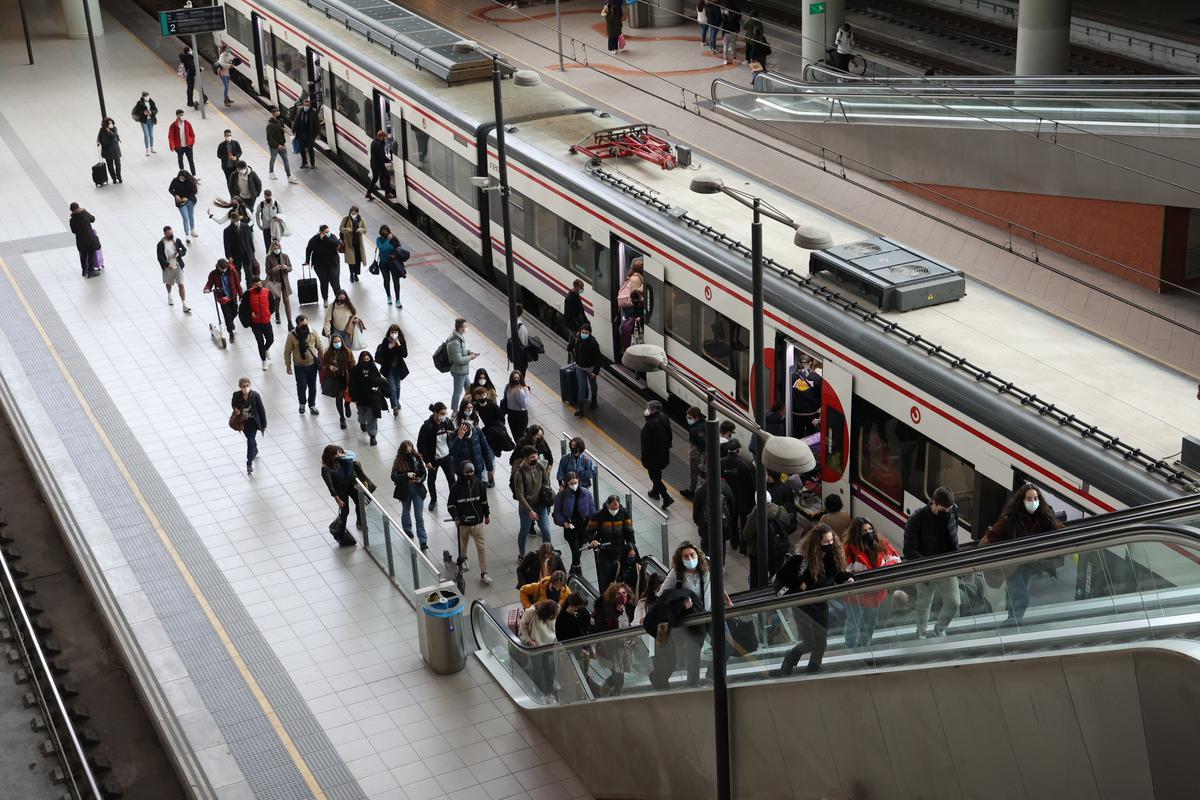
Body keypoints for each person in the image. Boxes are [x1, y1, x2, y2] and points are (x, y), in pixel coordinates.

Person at [980, 483, 1064, 623]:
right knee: (1023, 596)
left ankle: (1012, 620)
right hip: (1012, 566)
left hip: (1030, 566)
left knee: (1016, 595)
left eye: (1036, 498)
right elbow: (990, 537)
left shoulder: (1045, 517)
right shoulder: (1010, 520)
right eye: (1029, 499)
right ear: (1022, 501)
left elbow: (1059, 529)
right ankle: (1011, 625)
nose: (1033, 502)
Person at [777, 524, 853, 675]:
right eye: (826, 542)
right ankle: (790, 658)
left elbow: (837, 575)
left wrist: (849, 577)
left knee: (821, 642)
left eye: (831, 541)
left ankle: (813, 670)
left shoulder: (833, 558)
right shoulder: (802, 558)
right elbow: (782, 575)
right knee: (810, 642)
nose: (830, 545)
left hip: (821, 603)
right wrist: (799, 583)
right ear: (817, 543)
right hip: (802, 604)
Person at [658, 542, 728, 687]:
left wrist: (726, 598)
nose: (690, 558)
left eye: (692, 555)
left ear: (698, 555)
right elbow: (662, 597)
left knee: (727, 644)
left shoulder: (707, 565)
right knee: (693, 657)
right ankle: (692, 687)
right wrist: (681, 605)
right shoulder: (676, 574)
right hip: (691, 620)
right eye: (685, 556)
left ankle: (712, 672)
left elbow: (716, 583)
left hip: (710, 614)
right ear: (680, 559)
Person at [903, 486, 960, 638]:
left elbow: (954, 536)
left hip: (946, 564)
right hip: (925, 567)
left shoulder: (953, 510)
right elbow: (909, 549)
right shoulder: (917, 518)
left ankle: (939, 629)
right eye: (942, 509)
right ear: (932, 503)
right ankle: (921, 633)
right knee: (924, 603)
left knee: (954, 602)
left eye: (949, 509)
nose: (946, 513)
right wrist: (925, 566)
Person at [843, 517, 901, 647]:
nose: (868, 533)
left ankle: (865, 646)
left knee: (870, 623)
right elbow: (844, 572)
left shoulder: (880, 543)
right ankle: (851, 648)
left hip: (876, 595)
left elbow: (896, 559)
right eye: (864, 531)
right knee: (854, 623)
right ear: (857, 534)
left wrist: (882, 570)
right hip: (856, 597)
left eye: (870, 529)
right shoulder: (849, 550)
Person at [447, 461, 491, 584]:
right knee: (463, 546)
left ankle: (484, 573)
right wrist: (456, 517)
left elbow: (484, 502)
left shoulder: (479, 485)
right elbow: (451, 505)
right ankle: (463, 559)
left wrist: (486, 515)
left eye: (471, 471)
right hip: (463, 524)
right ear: (462, 472)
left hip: (477, 523)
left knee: (481, 548)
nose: (470, 474)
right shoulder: (456, 487)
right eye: (467, 472)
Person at [586, 494, 634, 593]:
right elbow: (589, 531)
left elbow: (629, 532)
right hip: (604, 554)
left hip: (620, 553)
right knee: (605, 580)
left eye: (617, 507)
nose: (615, 510)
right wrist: (593, 540)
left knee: (620, 578)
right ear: (608, 505)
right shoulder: (599, 515)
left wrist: (632, 547)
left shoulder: (624, 514)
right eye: (613, 507)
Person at [594, 581, 636, 694]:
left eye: (624, 593)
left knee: (618, 676)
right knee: (618, 676)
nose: (622, 596)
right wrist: (620, 643)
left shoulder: (628, 608)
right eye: (618, 594)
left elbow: (631, 625)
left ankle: (608, 695)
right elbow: (604, 633)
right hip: (612, 649)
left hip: (624, 648)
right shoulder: (607, 612)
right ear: (613, 596)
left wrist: (632, 639)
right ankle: (613, 696)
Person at [513, 445, 553, 560]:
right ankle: (522, 554)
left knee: (546, 531)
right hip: (527, 507)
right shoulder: (519, 474)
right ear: (525, 458)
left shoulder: (540, 466)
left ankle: (548, 553)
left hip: (540, 504)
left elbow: (546, 481)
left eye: (536, 456)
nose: (535, 459)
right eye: (532, 457)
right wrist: (530, 511)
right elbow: (519, 495)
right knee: (524, 530)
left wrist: (547, 497)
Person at [552, 471, 595, 577]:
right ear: (567, 483)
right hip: (570, 525)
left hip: (583, 525)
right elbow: (557, 512)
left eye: (575, 482)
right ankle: (577, 568)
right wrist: (564, 522)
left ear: (579, 481)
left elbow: (592, 509)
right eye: (571, 483)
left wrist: (593, 523)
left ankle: (574, 566)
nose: (574, 485)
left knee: (579, 546)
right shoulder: (561, 496)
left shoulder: (586, 493)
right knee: (575, 548)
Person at [741, 499, 792, 589]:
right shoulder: (781, 510)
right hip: (778, 548)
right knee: (777, 574)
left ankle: (756, 595)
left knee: (755, 579)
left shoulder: (756, 514)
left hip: (758, 551)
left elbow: (746, 534)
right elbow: (787, 524)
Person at [390, 440, 428, 550]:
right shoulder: (398, 461)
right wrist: (406, 475)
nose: (409, 450)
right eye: (407, 448)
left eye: (410, 447)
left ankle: (423, 541)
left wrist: (420, 479)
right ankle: (407, 530)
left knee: (419, 515)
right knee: (406, 511)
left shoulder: (417, 458)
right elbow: (394, 477)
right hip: (405, 489)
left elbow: (423, 472)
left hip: (417, 488)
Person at [319, 445, 360, 547]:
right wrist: (337, 499)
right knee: (345, 512)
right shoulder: (326, 469)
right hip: (340, 491)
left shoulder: (339, 460)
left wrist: (341, 453)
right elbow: (330, 486)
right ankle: (340, 533)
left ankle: (360, 521)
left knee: (359, 502)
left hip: (349, 485)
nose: (338, 455)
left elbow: (351, 457)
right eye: (335, 454)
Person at [417, 404, 456, 512]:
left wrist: (451, 434)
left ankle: (454, 500)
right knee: (431, 480)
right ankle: (433, 500)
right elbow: (421, 445)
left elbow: (454, 435)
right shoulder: (427, 427)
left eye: (445, 413)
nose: (444, 416)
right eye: (442, 414)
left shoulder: (447, 423)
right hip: (433, 459)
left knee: (452, 479)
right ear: (435, 413)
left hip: (446, 456)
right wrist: (426, 461)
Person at [517, 599, 559, 695]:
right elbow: (522, 626)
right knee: (538, 668)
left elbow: (555, 627)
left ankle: (549, 691)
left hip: (549, 644)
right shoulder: (531, 612)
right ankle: (539, 692)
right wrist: (529, 641)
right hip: (535, 645)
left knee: (549, 668)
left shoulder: (555, 609)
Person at [284, 314, 323, 415]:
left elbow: (319, 346)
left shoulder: (312, 332)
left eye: (306, 324)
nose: (305, 326)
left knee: (312, 386)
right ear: (297, 325)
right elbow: (287, 351)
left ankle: (312, 405)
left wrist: (322, 359)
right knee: (301, 386)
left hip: (312, 365)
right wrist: (288, 366)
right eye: (302, 325)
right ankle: (302, 403)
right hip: (299, 366)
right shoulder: (292, 335)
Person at [640, 401, 675, 510]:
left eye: (648, 408)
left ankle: (666, 497)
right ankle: (655, 492)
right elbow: (670, 435)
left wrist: (644, 457)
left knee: (654, 476)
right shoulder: (664, 417)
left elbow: (647, 444)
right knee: (657, 473)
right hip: (663, 453)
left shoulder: (650, 424)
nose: (646, 410)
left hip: (653, 456)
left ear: (653, 411)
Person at [720, 440, 754, 550]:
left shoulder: (720, 462)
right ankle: (743, 546)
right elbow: (751, 484)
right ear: (738, 450)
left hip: (727, 499)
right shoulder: (746, 464)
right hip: (744, 500)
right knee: (744, 522)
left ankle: (734, 542)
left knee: (732, 521)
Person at [231, 377, 267, 476]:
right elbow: (233, 404)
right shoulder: (236, 395)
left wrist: (264, 424)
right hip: (243, 422)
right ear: (240, 387)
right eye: (243, 386)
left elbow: (261, 410)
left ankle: (249, 463)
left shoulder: (255, 396)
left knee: (250, 440)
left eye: (247, 386)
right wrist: (236, 409)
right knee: (250, 439)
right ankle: (254, 449)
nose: (246, 388)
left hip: (253, 423)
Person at [320, 333, 355, 429]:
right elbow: (324, 363)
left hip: (346, 377)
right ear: (332, 343)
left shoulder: (347, 351)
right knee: (338, 397)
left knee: (347, 395)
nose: (337, 343)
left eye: (338, 341)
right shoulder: (328, 353)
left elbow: (352, 363)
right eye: (335, 342)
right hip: (335, 378)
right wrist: (330, 367)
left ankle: (347, 405)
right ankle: (342, 418)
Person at [203, 259, 242, 342]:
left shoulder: (232, 271)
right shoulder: (213, 274)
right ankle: (231, 333)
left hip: (232, 296)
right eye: (222, 269)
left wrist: (241, 295)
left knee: (235, 312)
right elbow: (209, 283)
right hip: (222, 298)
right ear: (218, 267)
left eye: (225, 268)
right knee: (227, 316)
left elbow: (238, 284)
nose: (224, 270)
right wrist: (206, 289)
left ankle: (230, 323)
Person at [374, 324, 408, 417]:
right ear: (389, 333)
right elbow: (382, 353)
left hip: (398, 368)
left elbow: (405, 354)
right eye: (392, 332)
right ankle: (395, 406)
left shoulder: (401, 341)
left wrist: (399, 344)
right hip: (389, 369)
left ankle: (396, 400)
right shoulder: (386, 341)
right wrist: (390, 346)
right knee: (392, 388)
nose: (394, 334)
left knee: (397, 387)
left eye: (395, 332)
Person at [156, 226, 191, 313]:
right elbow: (160, 257)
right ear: (165, 234)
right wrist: (167, 265)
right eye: (169, 234)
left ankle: (184, 303)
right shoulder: (161, 244)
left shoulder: (176, 240)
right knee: (169, 282)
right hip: (168, 267)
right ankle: (169, 294)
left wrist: (179, 254)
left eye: (172, 233)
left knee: (181, 284)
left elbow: (184, 250)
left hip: (178, 265)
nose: (171, 235)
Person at [305, 225, 342, 305]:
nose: (328, 233)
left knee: (335, 282)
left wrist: (326, 238)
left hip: (333, 264)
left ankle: (339, 299)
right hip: (320, 265)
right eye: (326, 232)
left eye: (328, 231)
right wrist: (307, 261)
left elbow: (337, 243)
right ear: (321, 233)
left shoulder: (332, 237)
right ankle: (325, 299)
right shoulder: (314, 239)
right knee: (324, 282)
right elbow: (308, 249)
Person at [448, 417, 492, 484]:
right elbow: (452, 453)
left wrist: (490, 469)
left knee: (478, 489)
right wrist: (459, 437)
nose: (468, 437)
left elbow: (486, 450)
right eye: (465, 436)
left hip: (477, 468)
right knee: (464, 491)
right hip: (462, 471)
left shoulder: (477, 431)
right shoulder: (454, 435)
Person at [447, 319, 478, 411]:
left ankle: (471, 407)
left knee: (469, 389)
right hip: (459, 371)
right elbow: (458, 360)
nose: (466, 328)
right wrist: (470, 357)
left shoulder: (459, 336)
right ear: (460, 328)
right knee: (457, 392)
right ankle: (455, 411)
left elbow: (461, 351)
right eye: (465, 326)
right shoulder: (455, 342)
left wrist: (469, 352)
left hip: (463, 370)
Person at [245, 276, 275, 371]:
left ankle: (265, 349)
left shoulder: (267, 292)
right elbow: (243, 307)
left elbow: (272, 304)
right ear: (252, 285)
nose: (259, 286)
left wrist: (269, 313)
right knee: (260, 342)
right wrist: (250, 313)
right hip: (255, 323)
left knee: (270, 339)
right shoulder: (248, 294)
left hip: (266, 321)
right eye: (256, 285)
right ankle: (264, 361)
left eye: (260, 284)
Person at [375, 224, 408, 307]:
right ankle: (389, 296)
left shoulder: (394, 238)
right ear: (380, 232)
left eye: (386, 231)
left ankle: (398, 300)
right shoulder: (378, 239)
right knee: (386, 280)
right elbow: (382, 249)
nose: (384, 233)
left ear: (388, 231)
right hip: (383, 263)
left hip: (393, 263)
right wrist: (388, 240)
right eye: (383, 231)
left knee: (396, 281)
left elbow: (399, 247)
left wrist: (395, 253)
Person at [264, 238, 294, 329]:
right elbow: (267, 271)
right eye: (275, 248)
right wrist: (274, 269)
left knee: (287, 301)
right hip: (275, 282)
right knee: (277, 300)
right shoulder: (268, 258)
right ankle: (277, 315)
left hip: (284, 282)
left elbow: (290, 268)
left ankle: (290, 322)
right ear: (272, 249)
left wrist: (285, 267)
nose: (277, 250)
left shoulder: (285, 256)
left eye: (278, 248)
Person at [573, 323, 601, 416]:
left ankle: (594, 399)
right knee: (581, 386)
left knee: (593, 385)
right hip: (579, 366)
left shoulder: (593, 343)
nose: (584, 334)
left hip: (590, 368)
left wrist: (595, 371)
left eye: (586, 332)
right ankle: (580, 408)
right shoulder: (578, 339)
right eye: (582, 332)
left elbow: (598, 358)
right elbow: (571, 346)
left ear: (590, 333)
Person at [791, 355, 823, 437]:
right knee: (811, 437)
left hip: (797, 414)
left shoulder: (791, 377)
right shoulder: (817, 378)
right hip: (811, 414)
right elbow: (822, 395)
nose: (803, 365)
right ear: (810, 363)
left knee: (798, 436)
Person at [265, 107, 297, 182]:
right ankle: (271, 172)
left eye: (279, 113)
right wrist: (277, 145)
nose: (279, 115)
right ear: (273, 114)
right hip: (274, 147)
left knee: (286, 160)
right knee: (273, 159)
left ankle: (289, 176)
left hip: (282, 144)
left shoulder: (281, 121)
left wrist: (283, 130)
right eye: (277, 114)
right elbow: (269, 138)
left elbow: (282, 130)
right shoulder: (269, 125)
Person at [223, 212, 257, 279]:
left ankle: (249, 287)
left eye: (238, 220)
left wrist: (253, 252)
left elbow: (250, 241)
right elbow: (226, 244)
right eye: (235, 220)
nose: (237, 222)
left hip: (246, 253)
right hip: (235, 255)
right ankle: (238, 287)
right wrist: (229, 256)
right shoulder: (227, 230)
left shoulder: (246, 226)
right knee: (237, 272)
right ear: (232, 220)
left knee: (248, 271)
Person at [340, 207, 368, 284]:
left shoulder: (361, 219)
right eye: (352, 211)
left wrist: (360, 230)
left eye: (355, 211)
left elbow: (365, 229)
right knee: (351, 261)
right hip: (349, 243)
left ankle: (356, 274)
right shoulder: (345, 219)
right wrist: (346, 230)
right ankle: (351, 274)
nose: (353, 213)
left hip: (358, 244)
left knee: (358, 260)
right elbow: (341, 228)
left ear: (357, 212)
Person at [682, 407, 704, 500]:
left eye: (690, 417)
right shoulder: (705, 423)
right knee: (703, 473)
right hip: (704, 454)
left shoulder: (694, 430)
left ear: (696, 417)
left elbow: (701, 443)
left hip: (696, 454)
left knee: (694, 473)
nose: (688, 419)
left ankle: (692, 491)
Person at [169, 170, 199, 239]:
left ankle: (192, 230)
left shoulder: (190, 181)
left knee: (191, 216)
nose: (182, 179)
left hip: (190, 201)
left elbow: (194, 191)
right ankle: (187, 234)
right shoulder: (175, 181)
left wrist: (187, 198)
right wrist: (176, 195)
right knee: (185, 218)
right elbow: (170, 189)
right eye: (180, 177)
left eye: (183, 177)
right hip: (180, 202)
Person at [503, 370, 531, 442]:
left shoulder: (524, 389)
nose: (516, 379)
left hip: (521, 415)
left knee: (522, 435)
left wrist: (520, 393)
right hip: (511, 414)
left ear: (521, 378)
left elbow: (525, 405)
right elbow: (505, 399)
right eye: (514, 378)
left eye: (518, 378)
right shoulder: (508, 387)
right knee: (515, 435)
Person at [168, 109, 197, 176]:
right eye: (181, 115)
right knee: (180, 161)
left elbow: (192, 134)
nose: (183, 116)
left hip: (188, 146)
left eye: (183, 115)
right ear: (177, 116)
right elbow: (171, 137)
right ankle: (182, 175)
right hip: (179, 147)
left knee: (191, 161)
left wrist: (192, 143)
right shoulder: (173, 126)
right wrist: (172, 146)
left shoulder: (187, 124)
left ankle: (194, 175)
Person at [366, 130, 394, 200]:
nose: (384, 138)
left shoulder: (373, 142)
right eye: (384, 137)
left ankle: (368, 193)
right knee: (387, 177)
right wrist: (390, 161)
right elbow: (382, 156)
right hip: (379, 164)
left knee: (375, 178)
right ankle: (387, 194)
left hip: (373, 163)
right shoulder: (379, 144)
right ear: (380, 137)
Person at [294, 98, 319, 169]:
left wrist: (316, 134)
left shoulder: (313, 113)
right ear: (303, 105)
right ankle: (304, 163)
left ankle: (312, 164)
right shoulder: (300, 112)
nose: (306, 106)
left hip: (309, 135)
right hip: (301, 134)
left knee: (310, 149)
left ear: (310, 105)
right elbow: (296, 120)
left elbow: (316, 124)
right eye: (305, 105)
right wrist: (294, 130)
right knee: (302, 149)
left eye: (307, 105)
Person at [96, 118, 122, 184]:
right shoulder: (102, 130)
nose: (111, 124)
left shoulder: (114, 128)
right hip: (107, 150)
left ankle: (119, 177)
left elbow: (114, 136)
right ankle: (114, 178)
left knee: (118, 164)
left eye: (111, 123)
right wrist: (98, 141)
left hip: (115, 149)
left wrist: (108, 130)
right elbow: (99, 137)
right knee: (110, 166)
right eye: (109, 123)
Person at [743, 9, 770, 74]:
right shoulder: (759, 21)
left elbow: (744, 27)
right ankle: (762, 70)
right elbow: (762, 30)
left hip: (749, 38)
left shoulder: (749, 20)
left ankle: (754, 71)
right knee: (755, 54)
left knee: (750, 51)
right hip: (757, 41)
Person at [132, 90, 158, 155]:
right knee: (146, 135)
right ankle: (147, 150)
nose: (147, 97)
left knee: (151, 135)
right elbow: (136, 112)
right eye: (146, 96)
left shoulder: (151, 102)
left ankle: (152, 148)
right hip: (144, 121)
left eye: (148, 96)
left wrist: (151, 112)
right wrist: (143, 113)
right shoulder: (139, 103)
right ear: (143, 97)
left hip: (151, 120)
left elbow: (156, 110)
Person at [721, 0, 742, 65]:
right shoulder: (736, 11)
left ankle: (725, 59)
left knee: (725, 46)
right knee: (733, 46)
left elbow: (723, 21)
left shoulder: (724, 12)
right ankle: (734, 58)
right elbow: (738, 19)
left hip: (726, 32)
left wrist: (723, 14)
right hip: (733, 32)